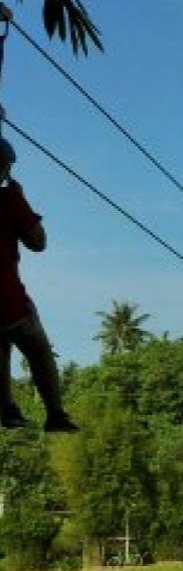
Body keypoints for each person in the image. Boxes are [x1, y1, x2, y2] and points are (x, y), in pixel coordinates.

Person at [0, 135, 77, 432]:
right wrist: (19, 199)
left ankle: (7, 408)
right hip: (7, 296)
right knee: (37, 348)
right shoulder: (8, 200)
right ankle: (55, 413)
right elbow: (37, 242)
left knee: (1, 344)